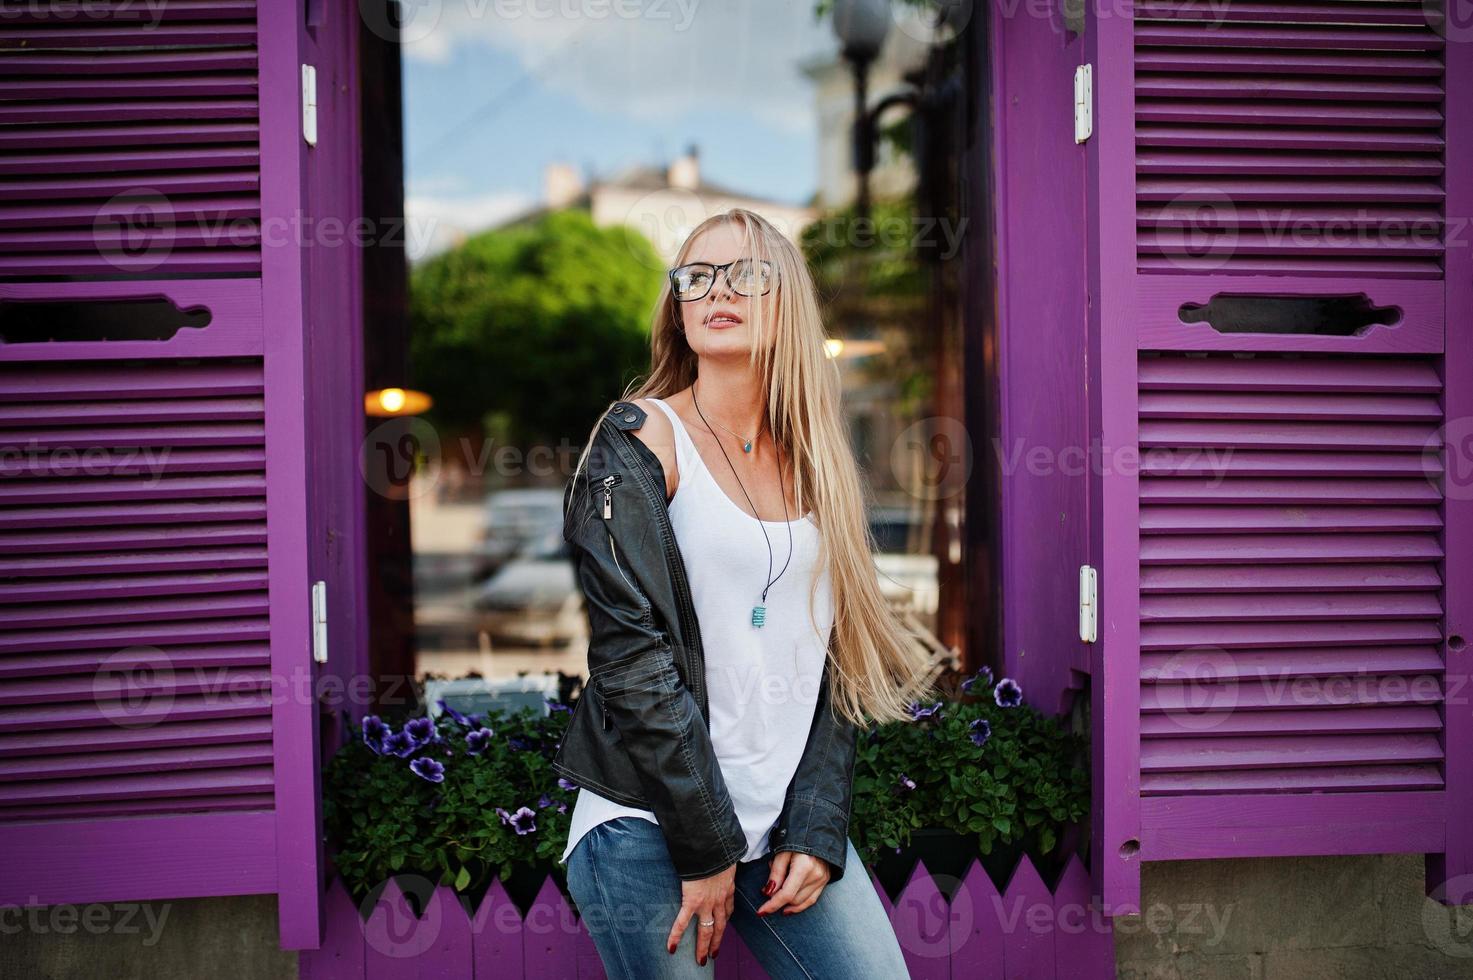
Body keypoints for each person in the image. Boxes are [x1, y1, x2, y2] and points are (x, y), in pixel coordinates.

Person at [551, 207, 932, 979]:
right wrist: (705, 847)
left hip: (775, 833)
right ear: (678, 305)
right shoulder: (638, 442)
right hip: (647, 825)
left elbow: (839, 664)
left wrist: (817, 829)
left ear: (785, 299)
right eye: (697, 275)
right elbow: (632, 660)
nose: (717, 289)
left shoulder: (818, 459)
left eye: (746, 273)